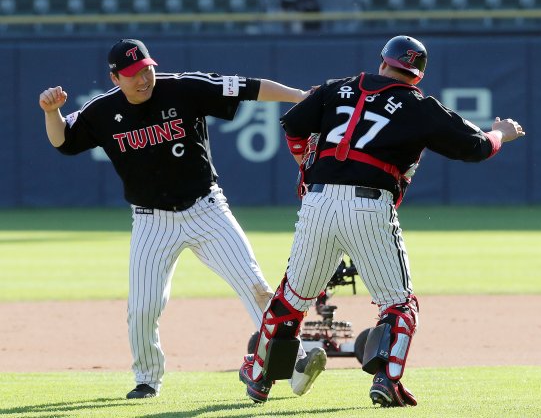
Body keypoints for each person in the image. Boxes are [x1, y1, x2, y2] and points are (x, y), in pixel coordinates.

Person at [238, 35, 525, 406]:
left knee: (291, 300)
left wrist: (305, 163)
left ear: (383, 62)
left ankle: (260, 376)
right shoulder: (418, 105)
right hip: (369, 205)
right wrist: (501, 132)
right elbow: (477, 147)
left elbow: (293, 126)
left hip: (318, 203)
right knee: (398, 305)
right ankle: (386, 380)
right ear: (417, 76)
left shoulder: (335, 88)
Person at [38, 38, 326, 400]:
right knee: (142, 308)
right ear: (115, 78)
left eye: (146, 70)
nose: (143, 79)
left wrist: (301, 96)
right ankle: (147, 378)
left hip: (207, 210)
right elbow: (62, 141)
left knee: (256, 287)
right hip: (151, 221)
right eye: (131, 74)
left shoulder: (184, 88)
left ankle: (297, 363)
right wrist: (51, 112)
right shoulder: (101, 111)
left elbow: (250, 88)